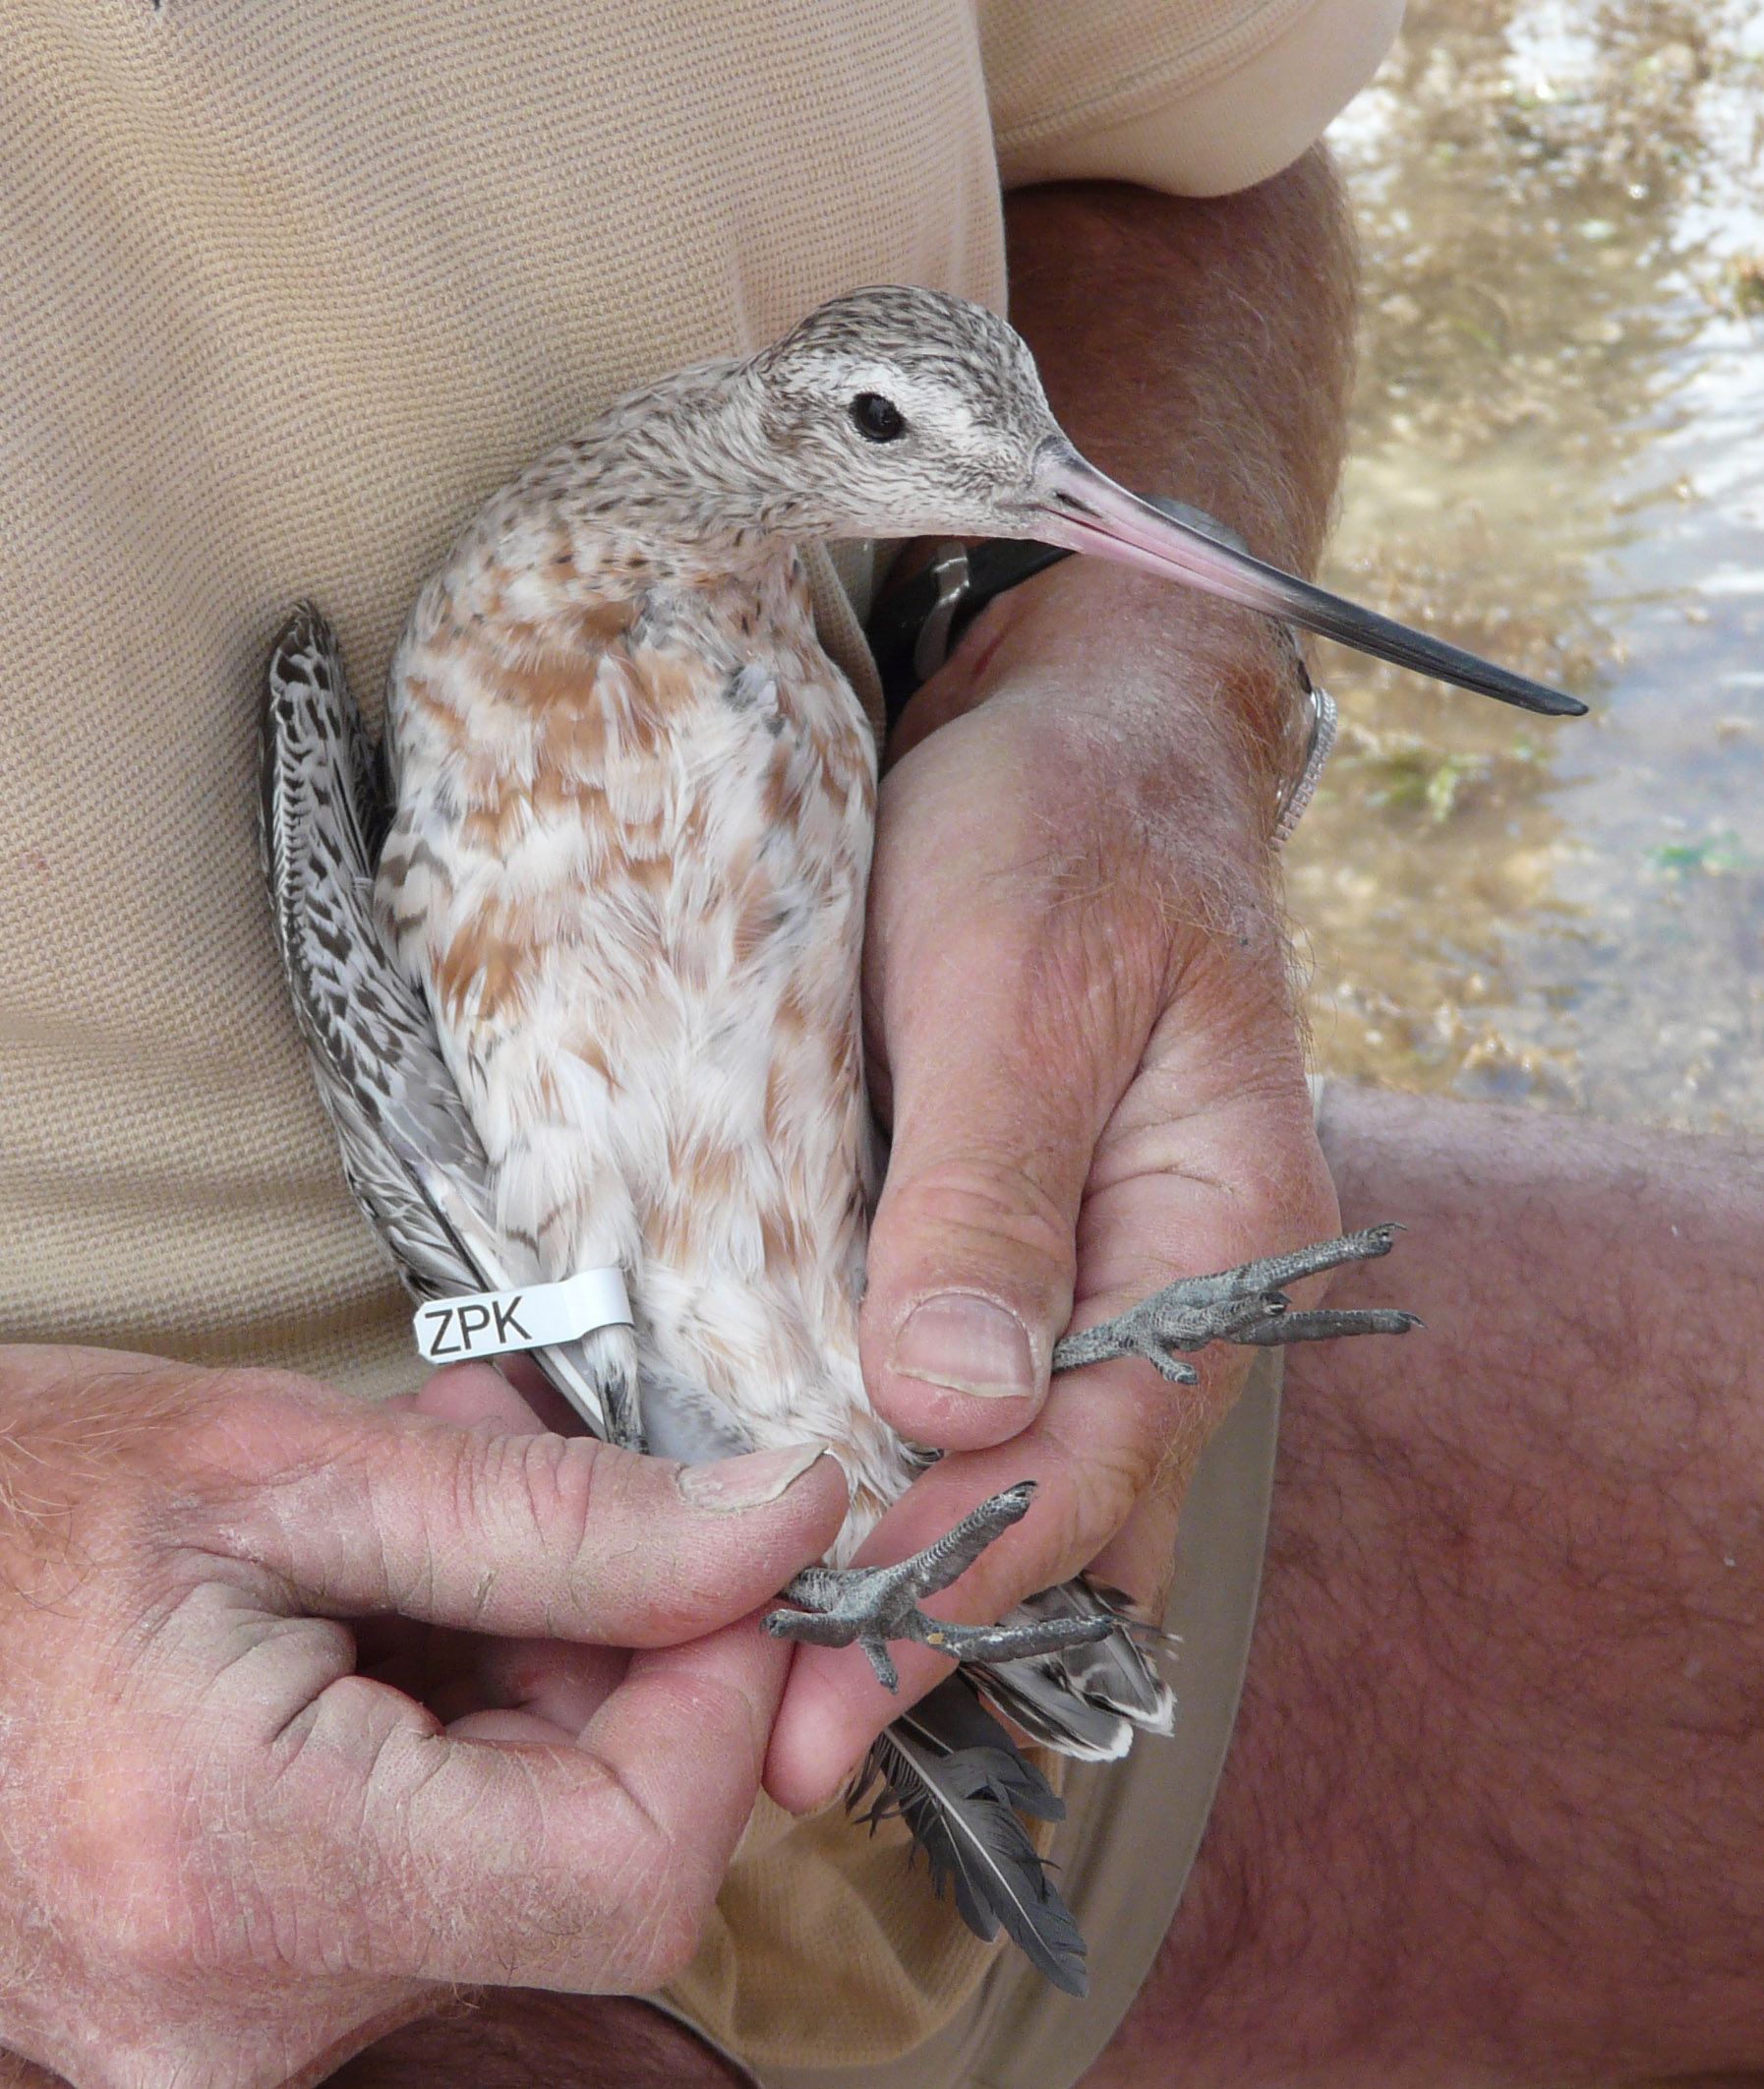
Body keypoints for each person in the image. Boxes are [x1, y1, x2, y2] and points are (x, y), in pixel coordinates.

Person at [7, 7, 1760, 2088]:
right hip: (258, 1798)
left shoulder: (765, 506)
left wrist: (1137, 669)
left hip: (1023, 1389)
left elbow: (1170, 160)